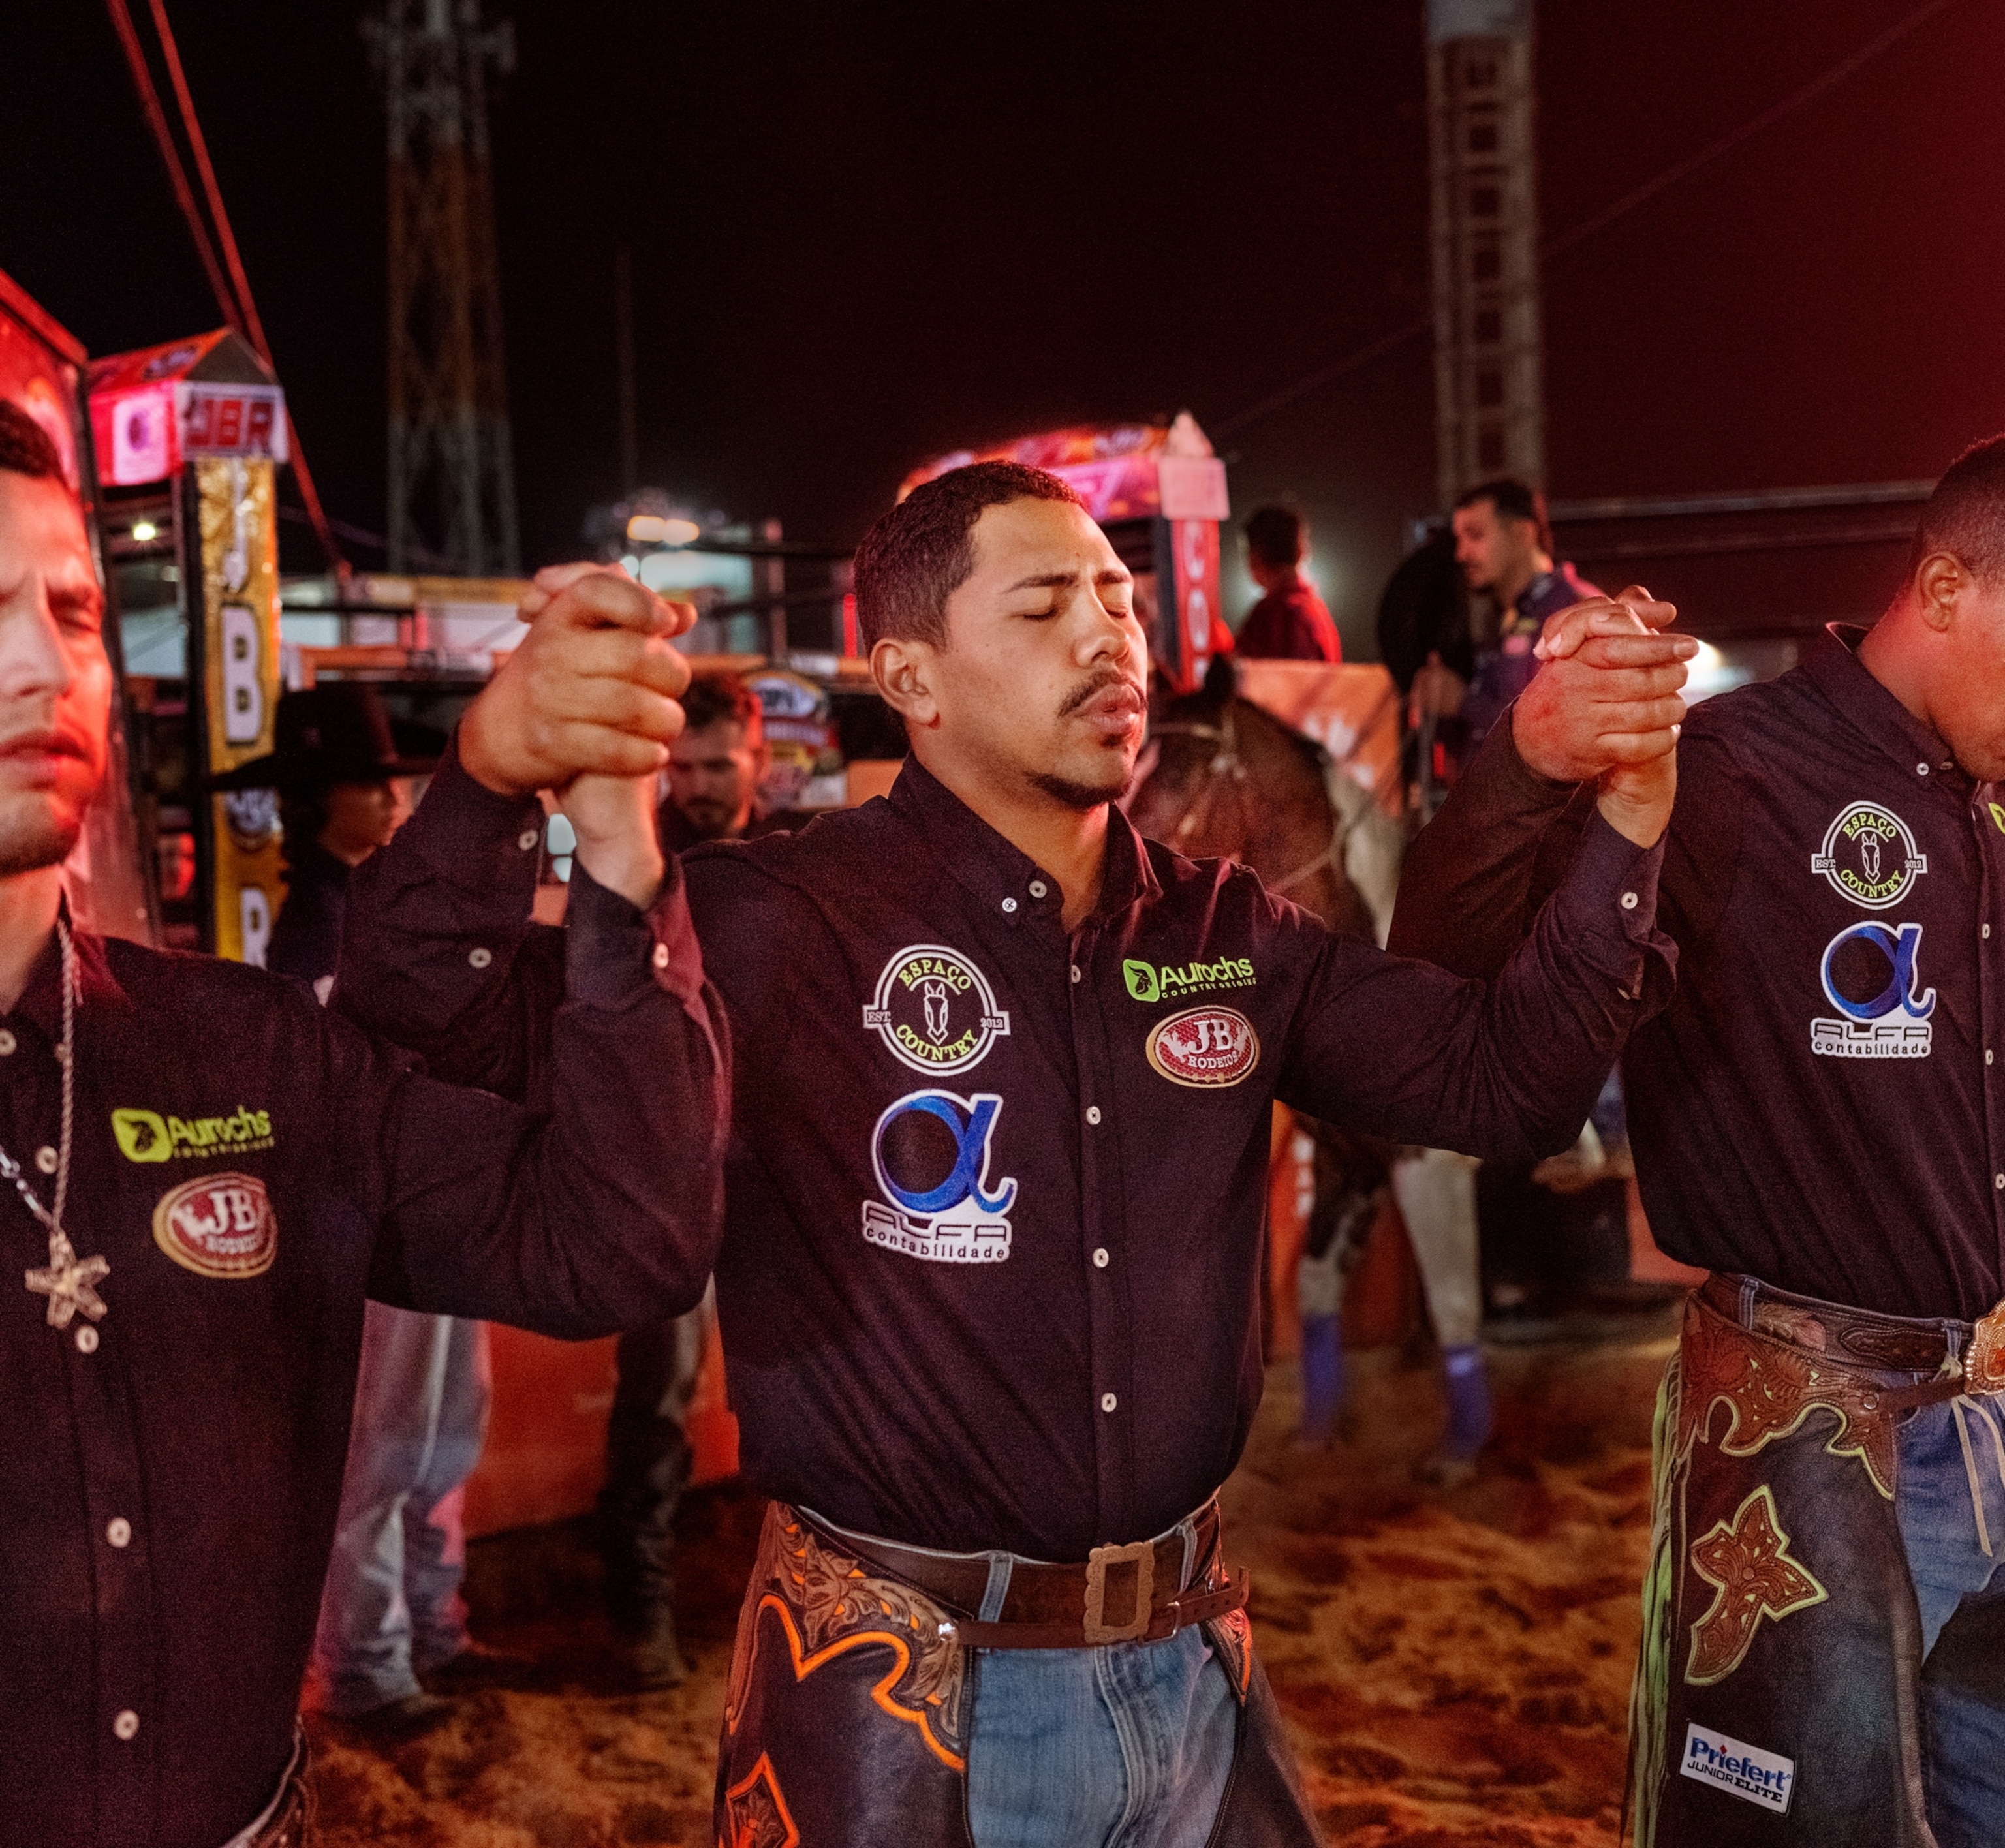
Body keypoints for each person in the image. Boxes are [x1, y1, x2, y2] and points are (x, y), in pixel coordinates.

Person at [335, 459, 1680, 1847]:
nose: (1111, 638)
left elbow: (1498, 1084)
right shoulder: (776, 923)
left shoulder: (1226, 931)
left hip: (1199, 1672)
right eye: (1045, 607)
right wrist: (492, 774)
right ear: (908, 676)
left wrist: (1621, 809)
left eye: (1119, 599)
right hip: (902, 1701)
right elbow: (427, 1001)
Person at [0, 396, 727, 1848]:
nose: (40, 660)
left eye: (72, 608)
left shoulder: (244, 1052)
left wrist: (598, 832)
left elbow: (619, 1246)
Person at [1388, 437, 2005, 1847]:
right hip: (1802, 1439)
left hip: (1986, 1419)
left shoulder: (1988, 804)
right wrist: (1531, 762)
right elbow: (1445, 973)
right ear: (1947, 586)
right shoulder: (1730, 773)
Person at [599, 669, 796, 1688]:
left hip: (784, 1165)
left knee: (807, 1388)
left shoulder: (799, 858)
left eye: (719, 763)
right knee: (660, 1396)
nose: (702, 782)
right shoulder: (642, 856)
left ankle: (787, 1611)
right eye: (684, 764)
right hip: (673, 1167)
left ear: (758, 759)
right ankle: (639, 1616)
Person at [1233, 504, 1341, 662]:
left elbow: (1251, 679)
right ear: (1301, 551)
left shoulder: (1269, 614)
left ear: (1253, 558)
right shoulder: (1317, 611)